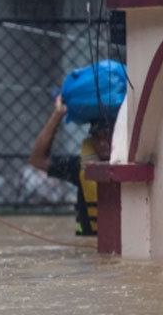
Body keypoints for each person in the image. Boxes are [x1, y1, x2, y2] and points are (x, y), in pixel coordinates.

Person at [29, 94, 113, 236]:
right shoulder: (79, 167)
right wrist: (57, 116)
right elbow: (37, 159)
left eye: (107, 136)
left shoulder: (136, 167)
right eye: (97, 137)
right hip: (88, 247)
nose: (102, 143)